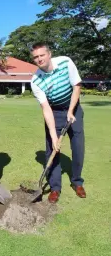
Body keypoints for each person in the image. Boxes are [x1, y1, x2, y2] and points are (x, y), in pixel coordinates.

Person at [30, 42, 86, 203]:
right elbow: (46, 108)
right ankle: (55, 188)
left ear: (49, 54)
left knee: (78, 147)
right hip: (54, 111)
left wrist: (71, 111)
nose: (39, 59)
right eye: (36, 57)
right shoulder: (36, 81)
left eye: (42, 55)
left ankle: (77, 182)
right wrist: (54, 137)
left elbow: (76, 86)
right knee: (52, 149)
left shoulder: (65, 62)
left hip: (73, 107)